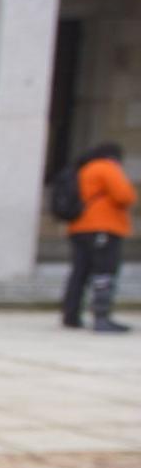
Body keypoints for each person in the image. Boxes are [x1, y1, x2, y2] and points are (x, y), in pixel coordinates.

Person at [63, 142, 135, 333]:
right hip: (103, 226)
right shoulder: (105, 168)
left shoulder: (85, 169)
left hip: (80, 227)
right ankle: (101, 317)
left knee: (80, 273)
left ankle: (71, 315)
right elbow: (125, 195)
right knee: (104, 272)